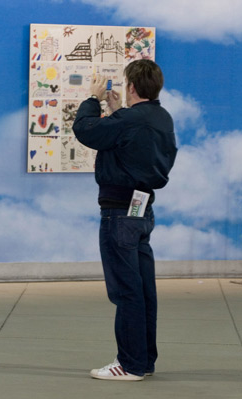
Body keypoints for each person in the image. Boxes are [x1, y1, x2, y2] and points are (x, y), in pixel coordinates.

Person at [73, 60, 177, 381]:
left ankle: (129, 364)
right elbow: (127, 142)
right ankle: (144, 359)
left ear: (131, 86)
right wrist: (118, 109)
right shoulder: (161, 118)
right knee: (143, 288)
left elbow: (86, 130)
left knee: (126, 290)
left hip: (119, 211)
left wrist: (92, 99)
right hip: (141, 209)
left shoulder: (131, 120)